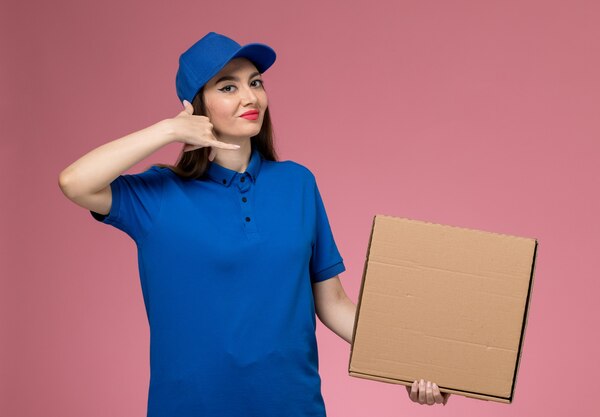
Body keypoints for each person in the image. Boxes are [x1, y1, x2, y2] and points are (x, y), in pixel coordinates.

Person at [58, 31, 450, 416]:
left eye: (256, 83)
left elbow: (332, 304)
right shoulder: (157, 196)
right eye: (228, 87)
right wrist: (168, 130)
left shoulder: (297, 183)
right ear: (196, 105)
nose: (250, 97)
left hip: (292, 407)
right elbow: (75, 182)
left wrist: (407, 364)